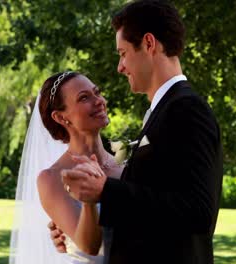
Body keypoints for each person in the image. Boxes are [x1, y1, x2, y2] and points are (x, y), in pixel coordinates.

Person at [58, 1, 223, 263]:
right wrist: (73, 226)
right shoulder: (166, 110)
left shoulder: (186, 109)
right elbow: (152, 191)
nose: (120, 67)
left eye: (122, 53)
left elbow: (198, 211)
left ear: (148, 44)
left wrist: (106, 192)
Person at [9, 71, 123, 264]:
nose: (99, 101)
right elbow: (89, 248)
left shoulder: (127, 163)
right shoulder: (51, 178)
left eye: (97, 92)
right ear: (61, 118)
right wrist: (89, 201)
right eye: (84, 98)